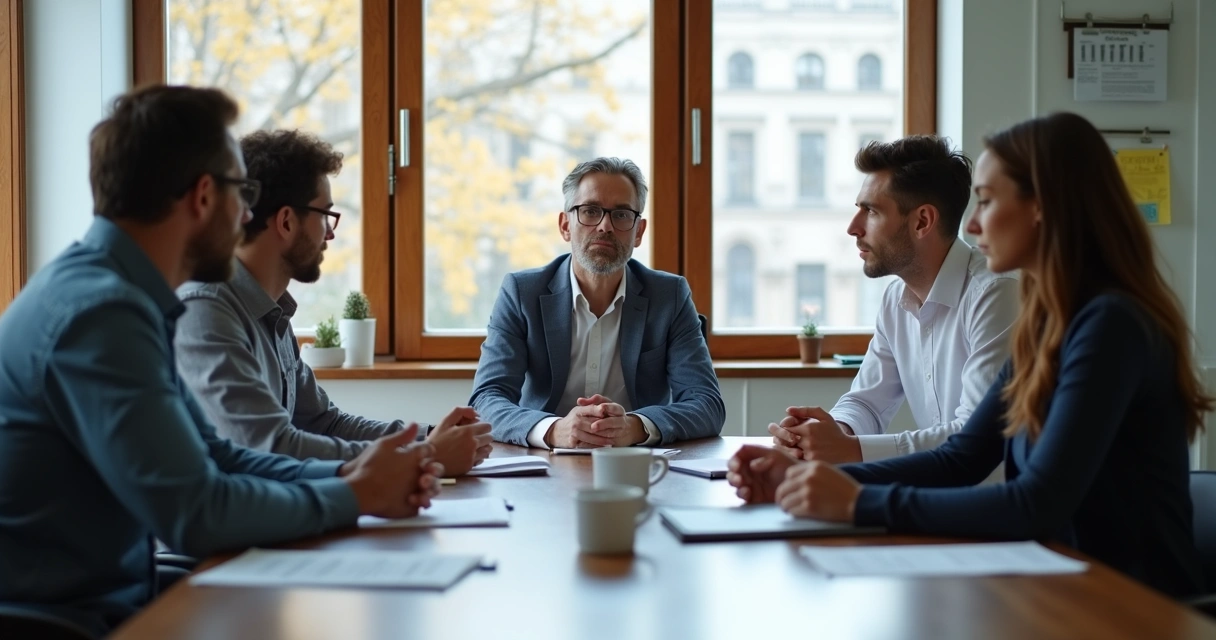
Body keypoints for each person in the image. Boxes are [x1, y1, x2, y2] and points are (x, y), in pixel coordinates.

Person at [0, 86, 443, 636]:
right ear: (204, 196)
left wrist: (353, 473)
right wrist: (355, 492)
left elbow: (219, 455)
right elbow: (195, 512)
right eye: (243, 191)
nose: (246, 213)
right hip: (64, 622)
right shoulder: (101, 312)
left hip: (118, 597)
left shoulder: (123, 295)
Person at [728, 112, 1209, 598]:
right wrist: (808, 477)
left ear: (1042, 206)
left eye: (986, 200)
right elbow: (964, 457)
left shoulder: (1110, 325)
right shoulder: (1049, 322)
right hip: (1063, 583)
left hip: (1133, 604)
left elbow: (1035, 503)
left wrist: (856, 500)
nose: (973, 224)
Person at [174, 129, 492, 475]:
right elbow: (270, 447)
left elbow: (323, 423)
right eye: (325, 214)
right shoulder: (205, 311)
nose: (330, 233)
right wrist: (426, 454)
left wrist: (429, 437)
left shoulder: (270, 312)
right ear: (286, 221)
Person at [769, 135, 1019, 470]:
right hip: (933, 498)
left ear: (922, 222)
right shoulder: (895, 298)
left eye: (870, 211)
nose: (853, 228)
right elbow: (868, 404)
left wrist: (850, 450)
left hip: (990, 510)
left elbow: (973, 438)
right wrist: (829, 433)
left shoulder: (995, 295)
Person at [471, 157, 725, 448]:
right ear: (565, 225)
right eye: (590, 211)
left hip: (635, 466)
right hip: (544, 464)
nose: (605, 226)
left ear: (638, 231)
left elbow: (707, 405)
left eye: (620, 214)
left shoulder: (670, 296)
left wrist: (634, 426)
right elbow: (486, 399)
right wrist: (554, 430)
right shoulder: (521, 292)